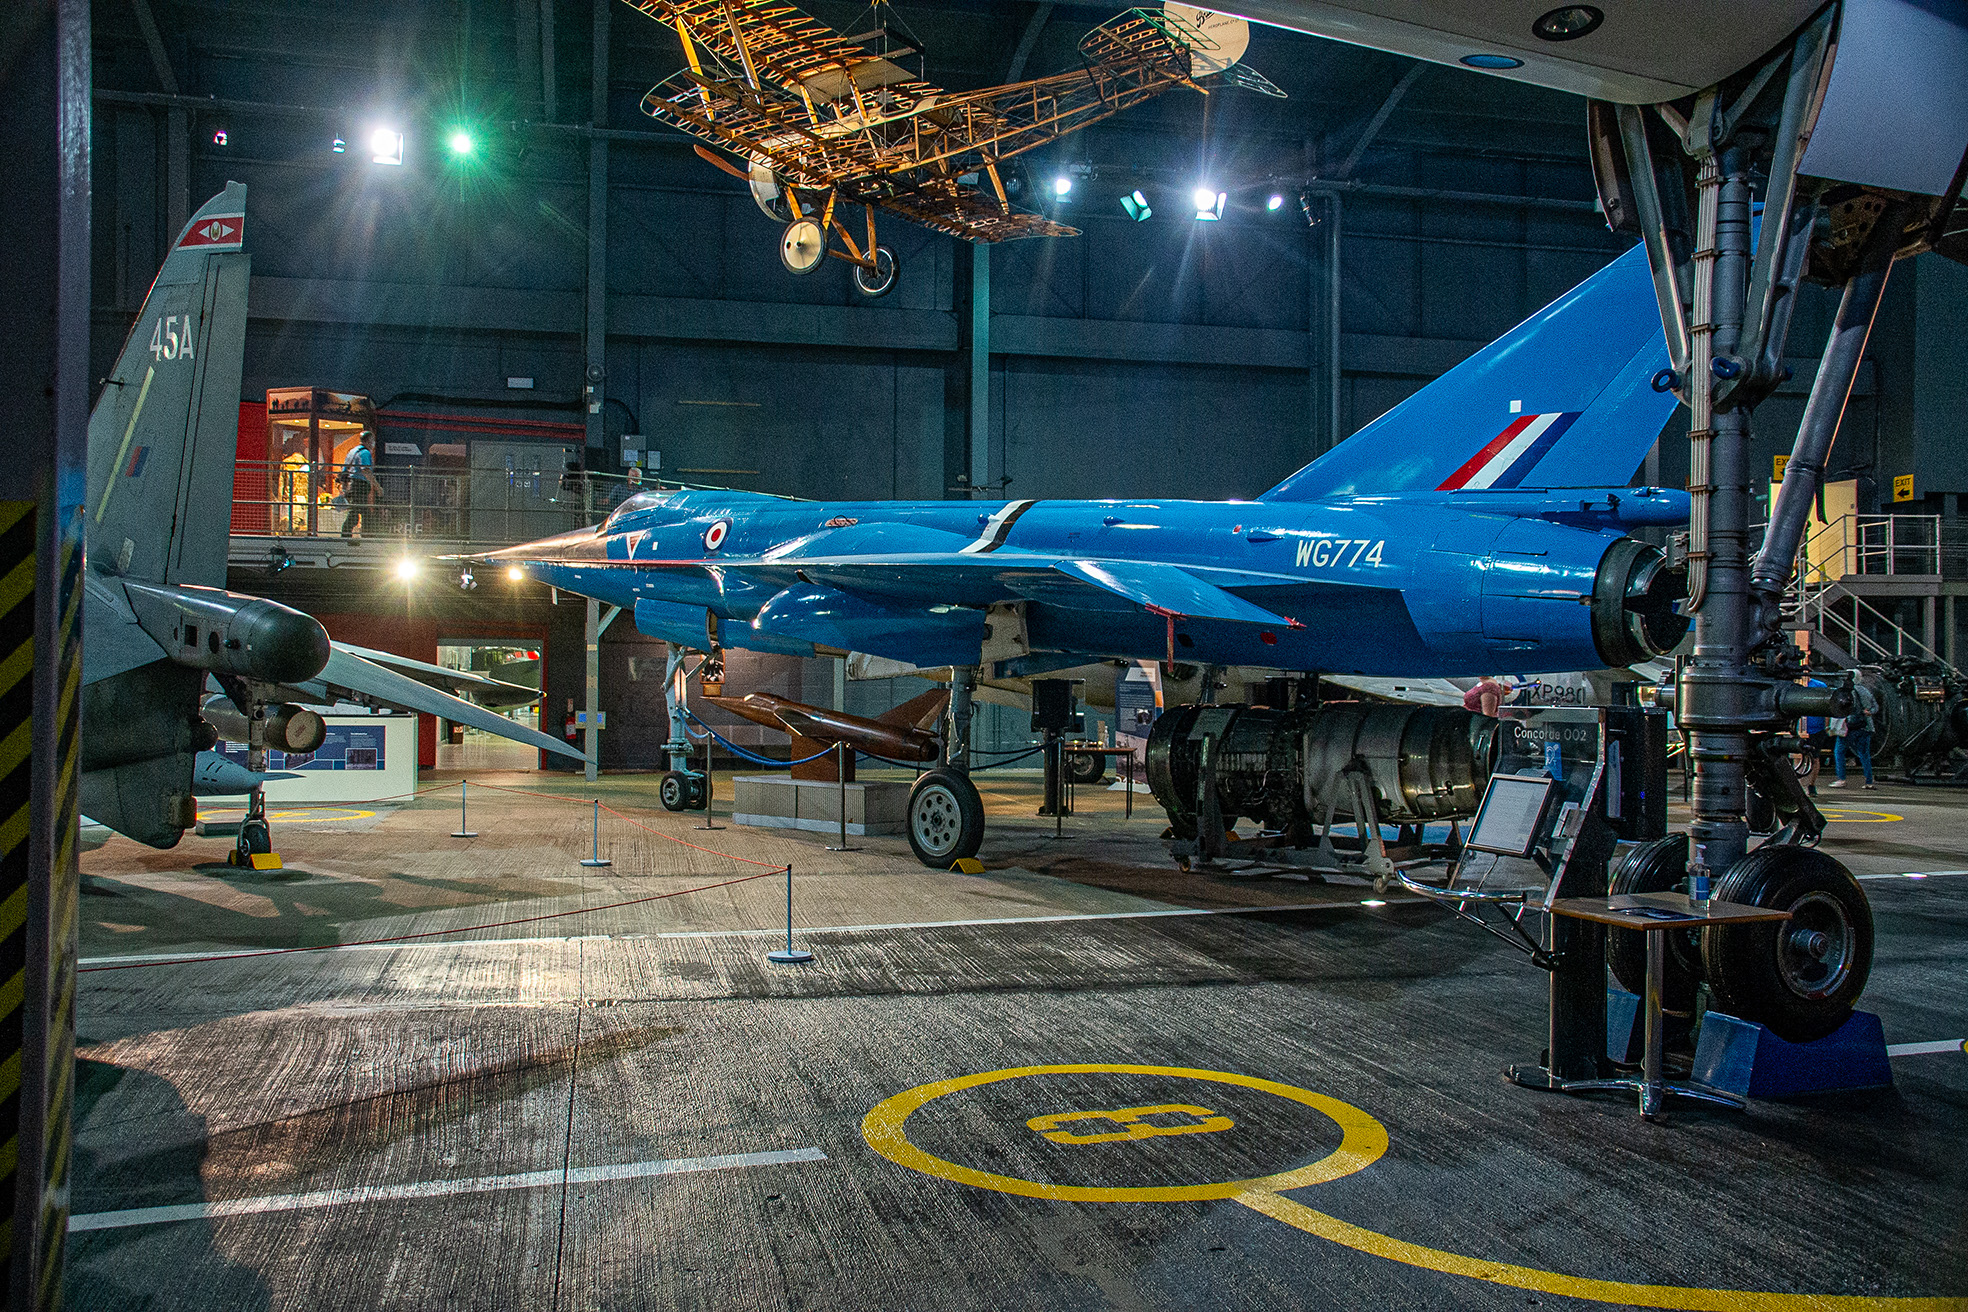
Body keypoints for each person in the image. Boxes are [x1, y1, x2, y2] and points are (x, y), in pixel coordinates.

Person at [1829, 672, 1879, 789]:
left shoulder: (1847, 691)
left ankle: (1841, 779)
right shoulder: (1866, 691)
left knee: (1839, 752)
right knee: (1864, 754)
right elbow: (1875, 706)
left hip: (1849, 727)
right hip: (1866, 726)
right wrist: (1869, 712)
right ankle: (1869, 781)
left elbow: (1847, 708)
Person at [338, 434, 380, 539]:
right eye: (372, 441)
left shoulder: (352, 452)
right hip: (360, 485)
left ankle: (355, 533)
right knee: (360, 511)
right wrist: (377, 486)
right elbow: (365, 470)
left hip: (352, 485)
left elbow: (345, 470)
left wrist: (344, 487)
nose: (373, 444)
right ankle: (361, 535)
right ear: (369, 441)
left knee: (358, 510)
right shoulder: (365, 453)